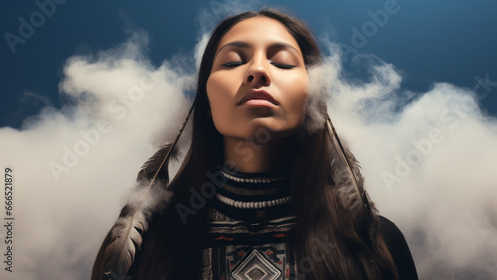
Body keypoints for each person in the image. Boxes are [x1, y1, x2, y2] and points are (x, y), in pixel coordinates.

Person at [92, 8, 418, 280]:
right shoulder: (140, 248)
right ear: (205, 101)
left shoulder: (376, 243)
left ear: (312, 97)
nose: (258, 71)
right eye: (233, 61)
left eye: (283, 63)